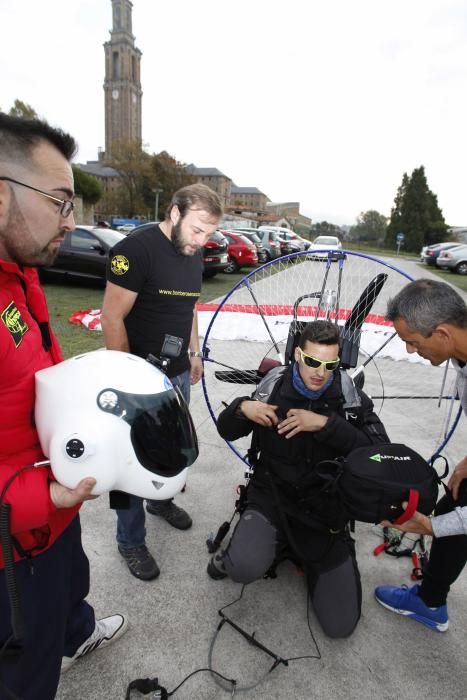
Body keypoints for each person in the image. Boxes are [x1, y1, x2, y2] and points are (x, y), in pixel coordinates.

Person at [0, 114, 127, 700]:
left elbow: (36, 372)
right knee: (28, 673)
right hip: (16, 541)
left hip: (54, 509)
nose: (71, 223)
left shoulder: (20, 273)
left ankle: (77, 633)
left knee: (73, 581)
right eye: (59, 202)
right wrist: (41, 498)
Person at [209, 320, 389, 638]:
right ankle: (265, 545)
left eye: (330, 364)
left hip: (326, 509)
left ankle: (306, 556)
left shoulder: (349, 398)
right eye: (312, 361)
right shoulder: (272, 387)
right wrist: (242, 408)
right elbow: (226, 429)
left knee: (340, 626)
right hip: (272, 498)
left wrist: (326, 425)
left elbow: (379, 456)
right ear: (297, 354)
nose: (320, 372)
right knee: (243, 568)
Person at [101, 183, 222, 581]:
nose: (202, 241)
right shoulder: (135, 250)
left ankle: (161, 501)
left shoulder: (193, 253)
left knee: (172, 446)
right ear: (174, 213)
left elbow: (188, 309)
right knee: (130, 460)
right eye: (197, 230)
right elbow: (112, 317)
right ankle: (129, 540)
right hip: (136, 377)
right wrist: (124, 376)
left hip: (175, 375)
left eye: (208, 234)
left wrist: (194, 352)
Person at [374, 278, 467, 632]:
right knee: (452, 504)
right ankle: (430, 602)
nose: (411, 351)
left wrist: (432, 527)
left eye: (413, 342)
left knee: (450, 521)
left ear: (442, 334)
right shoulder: (461, 354)